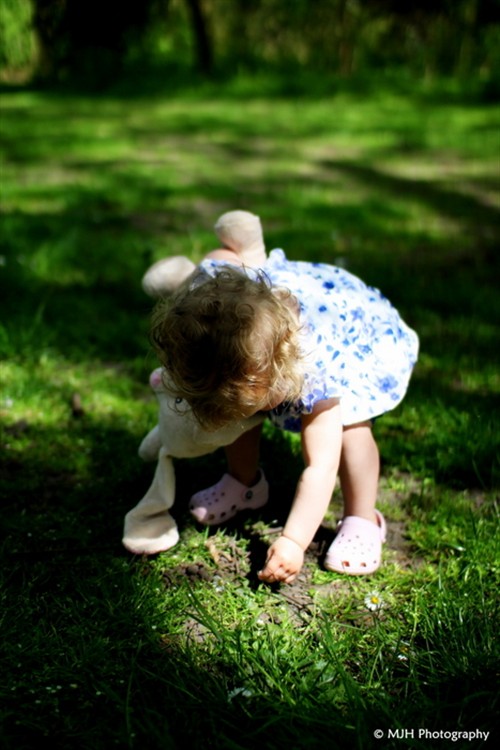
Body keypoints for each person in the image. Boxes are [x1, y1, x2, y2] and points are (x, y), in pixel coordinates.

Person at [150, 217, 419, 585]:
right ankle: (243, 482)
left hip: (350, 331)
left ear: (277, 375)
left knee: (352, 431)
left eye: (261, 400)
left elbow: (319, 468)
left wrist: (293, 541)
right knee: (239, 419)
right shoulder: (210, 303)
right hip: (268, 328)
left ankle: (362, 518)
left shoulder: (316, 369)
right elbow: (219, 257)